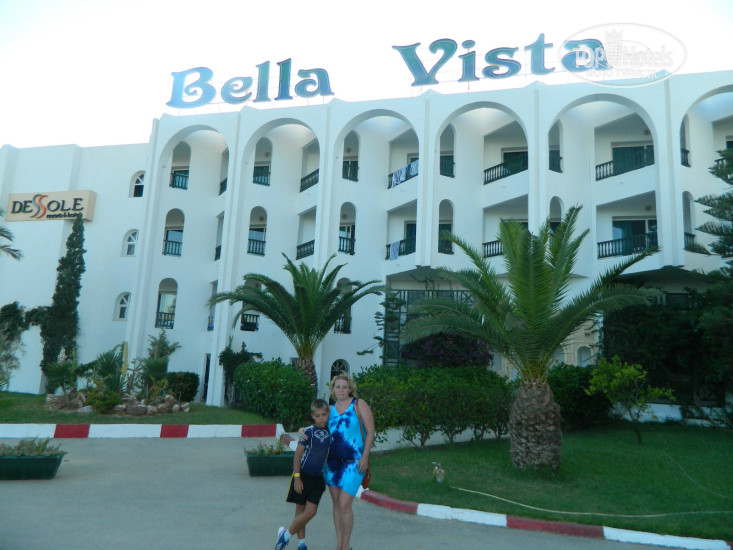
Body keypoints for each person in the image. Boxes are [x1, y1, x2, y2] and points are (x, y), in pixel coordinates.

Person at [324, 373, 374, 550]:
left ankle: (346, 546)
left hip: (354, 463)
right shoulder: (329, 410)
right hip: (332, 464)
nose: (341, 390)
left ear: (350, 388)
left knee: (345, 504)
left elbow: (370, 431)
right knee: (336, 503)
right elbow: (319, 428)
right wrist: (302, 431)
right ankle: (339, 544)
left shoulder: (359, 405)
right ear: (333, 389)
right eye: (338, 387)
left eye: (344, 387)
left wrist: (365, 457)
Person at [275, 399, 331, 550]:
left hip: (318, 477)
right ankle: (302, 544)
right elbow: (297, 456)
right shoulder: (308, 432)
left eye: (324, 415)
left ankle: (285, 535)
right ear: (313, 416)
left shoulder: (331, 430)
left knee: (311, 511)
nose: (321, 418)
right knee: (300, 509)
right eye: (317, 415)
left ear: (328, 414)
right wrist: (297, 478)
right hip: (303, 475)